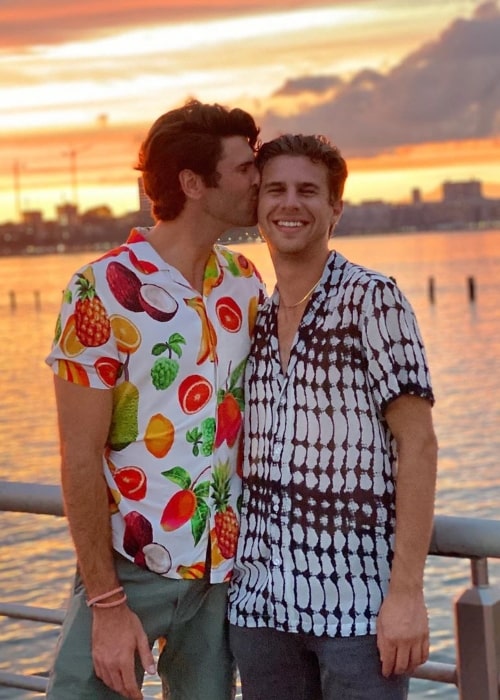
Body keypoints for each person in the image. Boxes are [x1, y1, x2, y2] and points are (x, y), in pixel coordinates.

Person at [45, 98, 265, 700]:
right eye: (245, 168)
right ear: (194, 183)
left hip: (224, 574)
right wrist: (108, 605)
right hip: (130, 569)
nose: (259, 179)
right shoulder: (100, 289)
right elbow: (80, 455)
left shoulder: (245, 279)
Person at [227, 134, 438, 700]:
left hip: (357, 612)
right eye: (275, 189)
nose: (289, 204)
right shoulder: (257, 316)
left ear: (335, 208)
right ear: (257, 206)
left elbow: (417, 446)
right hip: (261, 607)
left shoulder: (374, 300)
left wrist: (407, 593)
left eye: (308, 191)